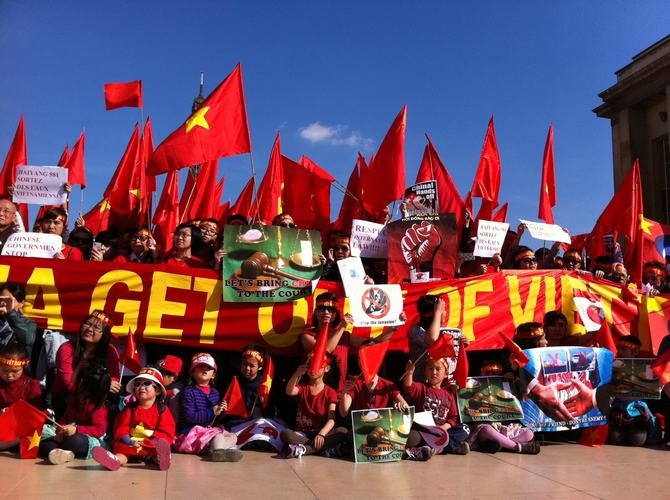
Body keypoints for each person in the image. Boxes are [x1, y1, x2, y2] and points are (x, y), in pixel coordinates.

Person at [92, 367, 176, 471]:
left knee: (157, 451)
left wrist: (152, 442)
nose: (141, 387)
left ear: (157, 390)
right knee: (122, 453)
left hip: (150, 444)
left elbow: (167, 430)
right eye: (137, 384)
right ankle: (114, 460)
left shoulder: (162, 410)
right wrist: (128, 440)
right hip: (131, 443)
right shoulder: (130, 408)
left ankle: (161, 459)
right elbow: (121, 425)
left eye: (147, 383)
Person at [51, 310, 121, 417]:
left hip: (98, 398)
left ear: (105, 334)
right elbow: (68, 384)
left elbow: (115, 380)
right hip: (68, 397)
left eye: (96, 328)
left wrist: (107, 385)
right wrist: (103, 385)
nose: (89, 329)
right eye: (87, 324)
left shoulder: (110, 351)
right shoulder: (66, 348)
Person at [173, 353, 242, 462]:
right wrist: (211, 411)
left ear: (213, 375)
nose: (204, 369)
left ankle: (217, 450)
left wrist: (221, 411)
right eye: (200, 366)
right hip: (192, 433)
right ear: (192, 372)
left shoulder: (215, 393)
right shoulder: (188, 392)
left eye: (209, 368)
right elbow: (189, 417)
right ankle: (218, 451)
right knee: (218, 437)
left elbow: (215, 419)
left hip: (208, 431)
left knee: (233, 436)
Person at [39, 362, 110, 464]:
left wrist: (77, 430)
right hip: (67, 435)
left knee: (74, 441)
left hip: (90, 440)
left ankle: (63, 451)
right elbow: (66, 417)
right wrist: (60, 430)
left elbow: (99, 430)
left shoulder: (97, 407)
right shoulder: (74, 398)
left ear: (82, 382)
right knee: (44, 437)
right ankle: (63, 453)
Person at [402, 356, 470, 459]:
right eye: (430, 369)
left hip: (441, 432)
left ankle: (433, 449)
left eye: (438, 369)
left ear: (446, 374)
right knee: (413, 437)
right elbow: (408, 387)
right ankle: (451, 447)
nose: (433, 372)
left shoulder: (449, 395)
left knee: (465, 429)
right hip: (425, 431)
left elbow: (453, 418)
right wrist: (410, 373)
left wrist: (443, 428)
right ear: (425, 372)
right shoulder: (421, 388)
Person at [467, 361, 540, 454]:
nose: (493, 377)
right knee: (486, 430)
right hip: (489, 426)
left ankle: (504, 445)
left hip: (505, 427)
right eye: (489, 374)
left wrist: (515, 380)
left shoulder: (507, 385)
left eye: (496, 374)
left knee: (529, 433)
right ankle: (516, 447)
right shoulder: (476, 388)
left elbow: (525, 394)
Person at [280, 354, 346, 458]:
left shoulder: (330, 392)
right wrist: (296, 374)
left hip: (321, 434)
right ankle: (316, 449)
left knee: (342, 431)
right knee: (285, 434)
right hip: (303, 434)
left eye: (318, 365)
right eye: (310, 365)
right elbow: (289, 391)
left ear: (327, 368)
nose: (313, 369)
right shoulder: (303, 388)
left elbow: (331, 419)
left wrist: (321, 434)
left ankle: (304, 449)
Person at [0, 342, 42, 451]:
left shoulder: (31, 386)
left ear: (24, 366)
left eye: (15, 371)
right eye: (4, 370)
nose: (9, 375)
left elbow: (35, 414)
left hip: (21, 428)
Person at [0, 282, 37, 358]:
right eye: (1, 299)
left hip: (14, 367)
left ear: (21, 303)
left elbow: (28, 339)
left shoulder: (29, 323)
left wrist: (10, 313)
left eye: (9, 300)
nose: (3, 303)